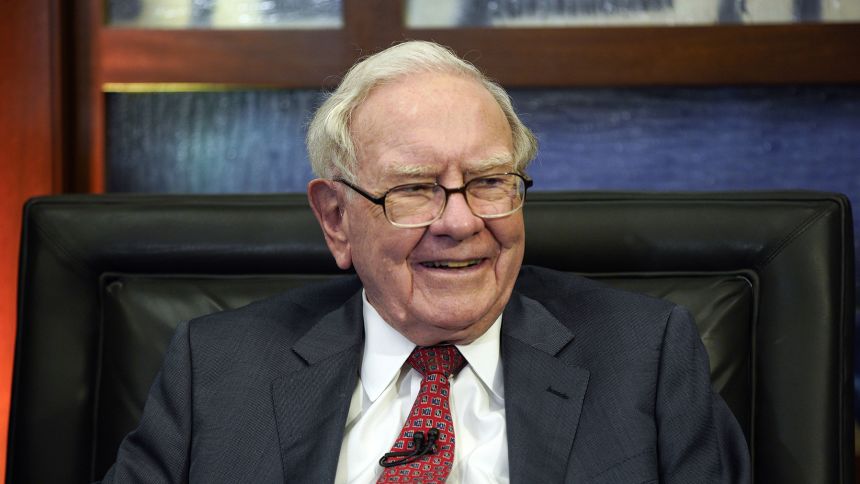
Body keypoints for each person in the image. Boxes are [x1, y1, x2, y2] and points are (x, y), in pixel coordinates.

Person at [100, 40, 750, 483]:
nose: (462, 222)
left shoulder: (646, 356)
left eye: (490, 182)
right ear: (336, 219)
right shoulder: (217, 369)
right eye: (415, 189)